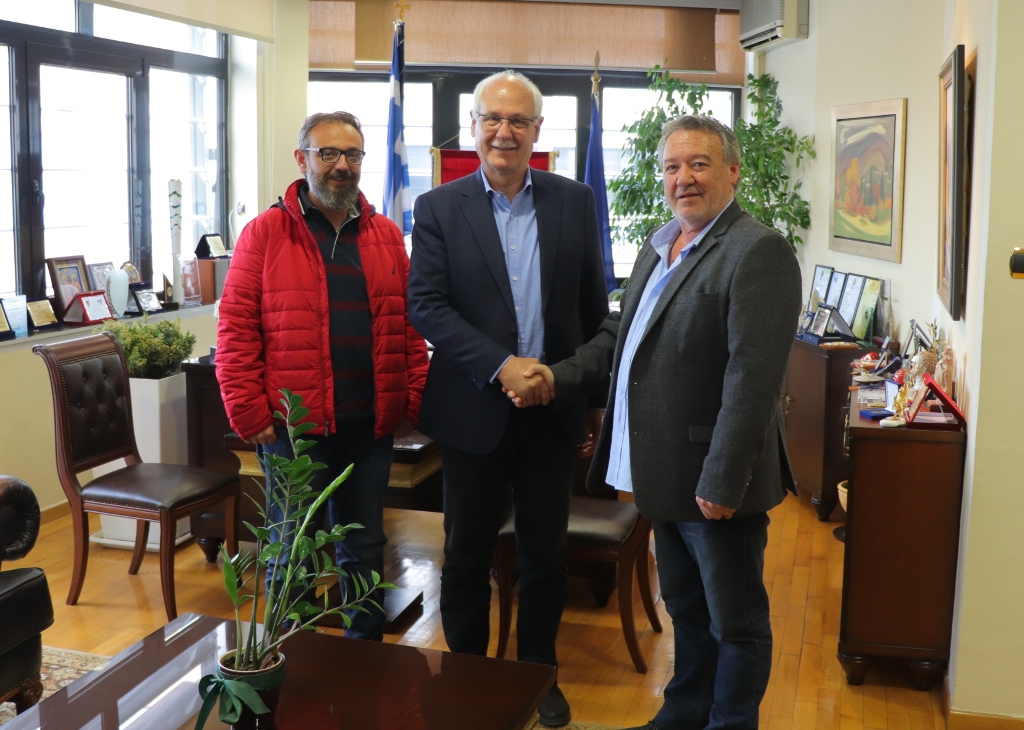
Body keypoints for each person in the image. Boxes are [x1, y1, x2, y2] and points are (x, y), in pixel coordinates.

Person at [508, 114, 802, 730]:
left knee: (736, 624)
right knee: (688, 611)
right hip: (663, 472)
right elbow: (621, 336)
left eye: (699, 164)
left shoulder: (757, 250)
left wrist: (723, 480)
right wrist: (558, 377)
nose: (682, 178)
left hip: (714, 483)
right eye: (672, 167)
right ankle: (685, 711)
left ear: (732, 172)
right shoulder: (659, 241)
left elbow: (752, 380)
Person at [407, 70, 609, 727]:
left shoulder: (575, 200)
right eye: (492, 119)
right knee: (466, 556)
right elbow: (426, 306)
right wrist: (503, 366)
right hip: (472, 413)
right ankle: (468, 679)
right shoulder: (439, 208)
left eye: (518, 120)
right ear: (472, 127)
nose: (504, 131)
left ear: (537, 130)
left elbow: (592, 308)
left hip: (553, 414)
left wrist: (588, 398)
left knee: (545, 557)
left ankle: (536, 675)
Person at [216, 111, 429, 641]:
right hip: (295, 432)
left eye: (352, 155)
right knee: (292, 551)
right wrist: (248, 411)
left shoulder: (385, 236)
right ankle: (295, 664)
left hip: (369, 427)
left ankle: (365, 661)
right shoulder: (265, 234)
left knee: (365, 547)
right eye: (327, 153)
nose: (341, 166)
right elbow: (236, 328)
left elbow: (408, 327)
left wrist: (412, 400)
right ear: (302, 159)